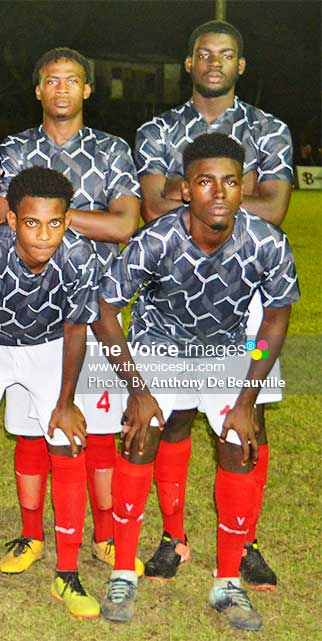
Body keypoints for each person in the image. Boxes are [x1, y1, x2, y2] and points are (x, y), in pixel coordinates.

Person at [95, 133, 299, 631]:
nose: (218, 192)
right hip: (159, 345)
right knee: (140, 437)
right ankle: (124, 571)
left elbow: (273, 321)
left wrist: (247, 399)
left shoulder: (266, 242)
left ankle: (227, 581)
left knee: (237, 443)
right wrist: (138, 392)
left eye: (230, 181)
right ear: (185, 189)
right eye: (205, 181)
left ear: (245, 186)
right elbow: (104, 312)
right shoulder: (157, 238)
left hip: (229, 348)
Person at [134, 20, 293, 588]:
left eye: (226, 54)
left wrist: (195, 190)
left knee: (247, 416)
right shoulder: (157, 129)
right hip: (173, 292)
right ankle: (172, 537)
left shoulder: (269, 129)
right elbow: (152, 209)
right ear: (188, 62)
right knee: (172, 413)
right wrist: (238, 189)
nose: (214, 62)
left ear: (240, 65)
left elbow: (275, 210)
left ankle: (243, 539)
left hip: (248, 294)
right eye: (204, 53)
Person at [0, 47, 141, 577]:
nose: (61, 89)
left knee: (95, 428)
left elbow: (124, 224)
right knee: (33, 428)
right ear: (37, 90)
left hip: (96, 307)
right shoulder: (15, 150)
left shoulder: (112, 149)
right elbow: (1, 216)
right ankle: (31, 535)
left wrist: (49, 216)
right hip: (28, 312)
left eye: (72, 80)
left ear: (87, 90)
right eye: (51, 80)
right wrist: (70, 220)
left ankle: (103, 531)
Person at [0, 166, 105, 618]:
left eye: (55, 223)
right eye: (31, 223)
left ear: (68, 220)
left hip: (50, 346)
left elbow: (76, 332)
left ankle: (68, 574)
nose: (43, 235)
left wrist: (67, 401)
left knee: (69, 441)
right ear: (12, 220)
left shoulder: (80, 256)